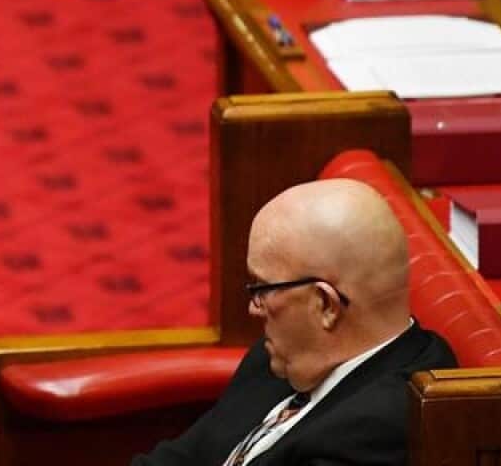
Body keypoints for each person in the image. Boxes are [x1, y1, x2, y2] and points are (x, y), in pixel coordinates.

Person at [134, 178, 456, 466]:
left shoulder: (379, 428)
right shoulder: (284, 358)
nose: (253, 308)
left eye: (263, 289)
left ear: (326, 304)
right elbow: (185, 456)